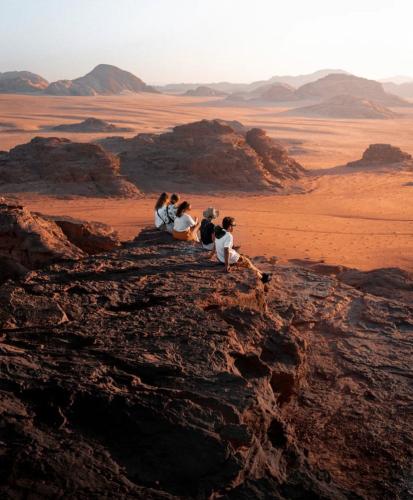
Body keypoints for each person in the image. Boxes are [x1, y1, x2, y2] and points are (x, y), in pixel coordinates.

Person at [214, 216, 271, 283]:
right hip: (230, 259)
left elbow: (217, 244)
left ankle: (263, 273)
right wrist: (227, 265)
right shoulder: (229, 236)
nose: (233, 228)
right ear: (229, 226)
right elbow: (226, 250)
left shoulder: (219, 232)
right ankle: (263, 278)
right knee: (247, 263)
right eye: (233, 226)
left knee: (244, 258)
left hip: (221, 258)